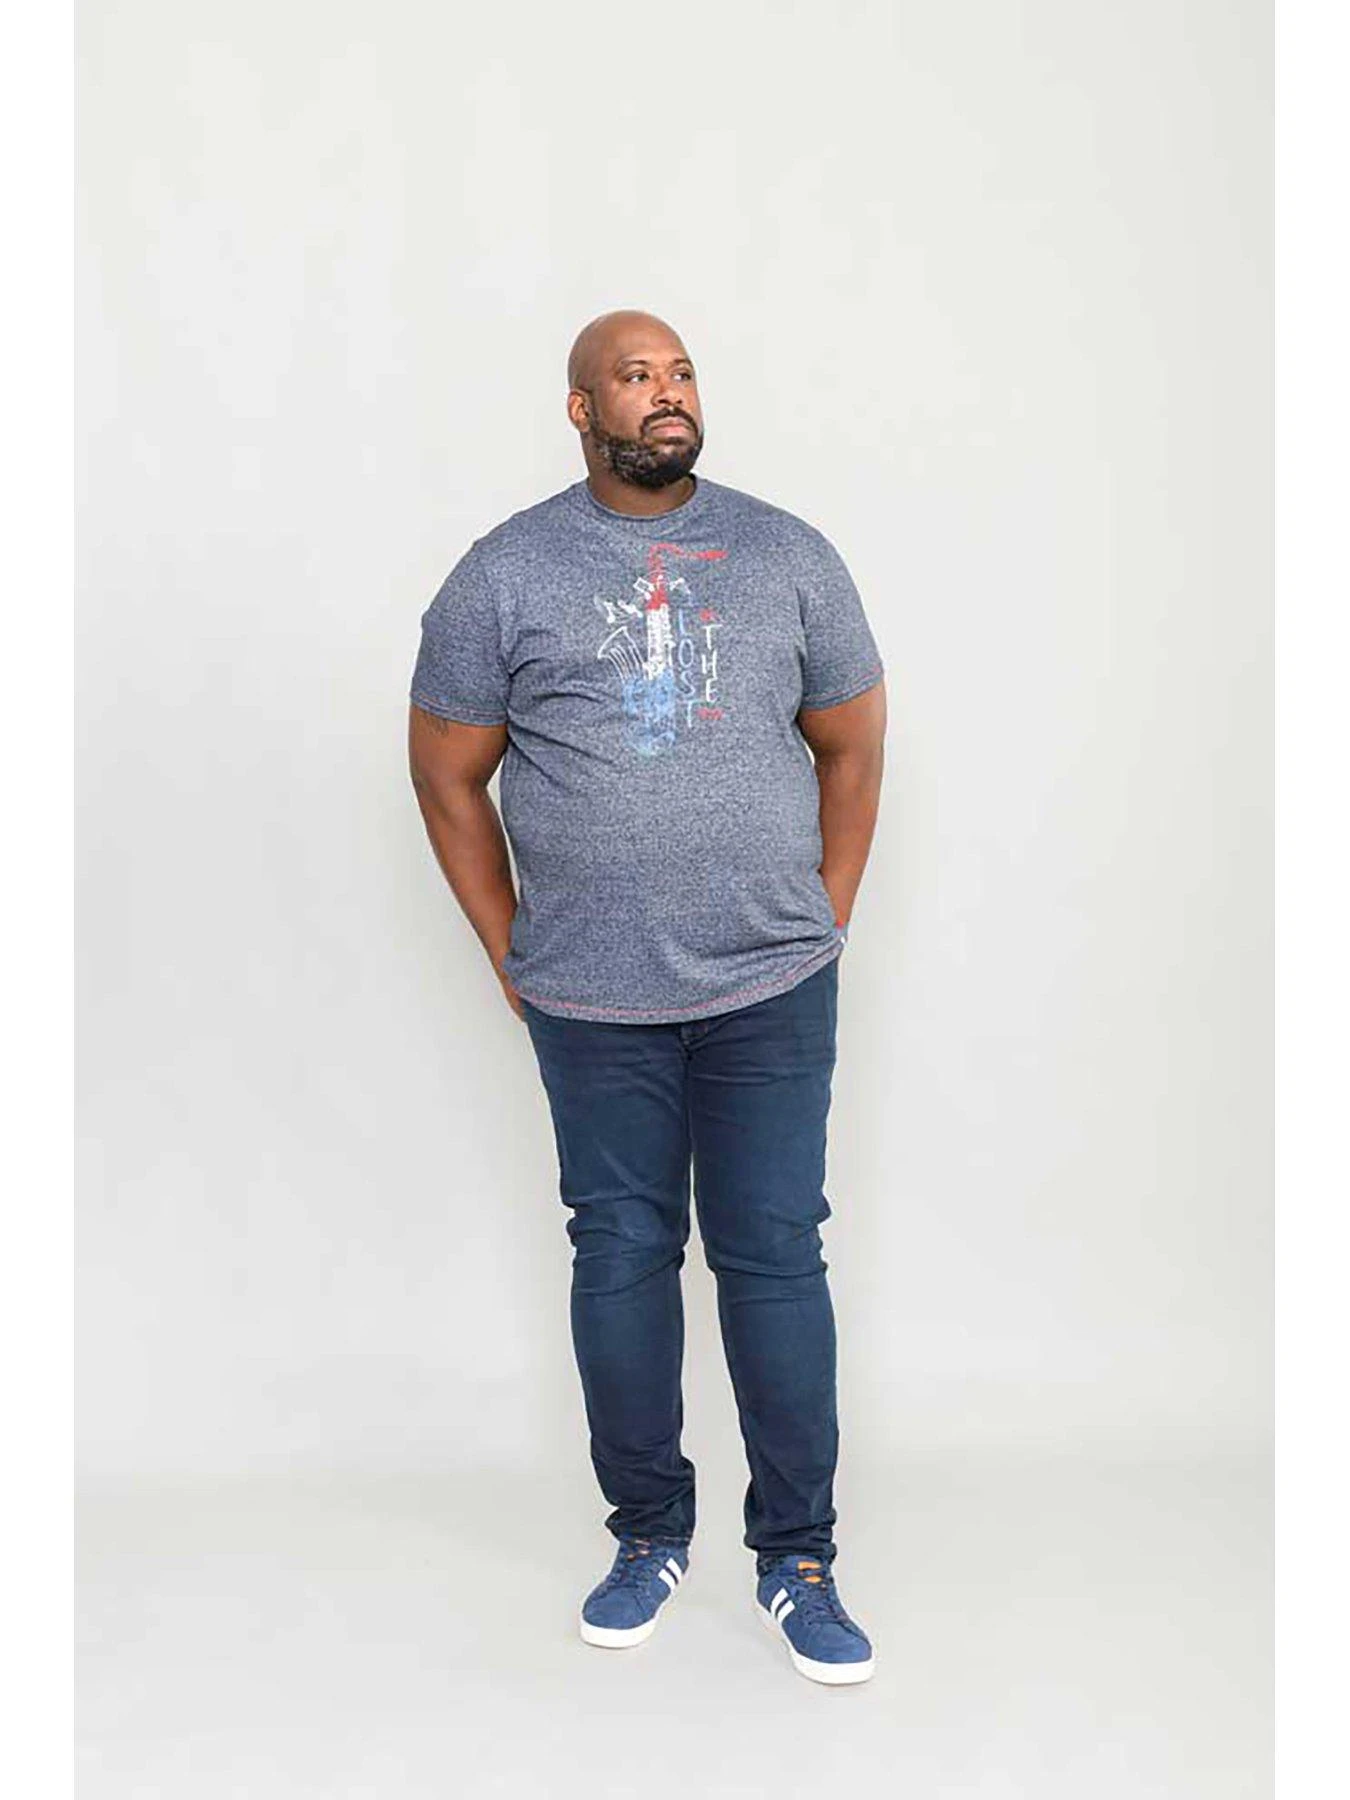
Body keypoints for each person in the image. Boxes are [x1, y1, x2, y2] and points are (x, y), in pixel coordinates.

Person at [407, 309, 886, 1686]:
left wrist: (824, 913)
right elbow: (444, 773)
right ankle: (648, 1536)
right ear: (582, 409)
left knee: (774, 1254)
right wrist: (510, 946)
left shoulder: (788, 554)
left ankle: (797, 1557)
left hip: (769, 982)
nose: (666, 395)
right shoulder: (505, 573)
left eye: (680, 375)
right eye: (635, 377)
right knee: (620, 1254)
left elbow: (853, 744)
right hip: (591, 994)